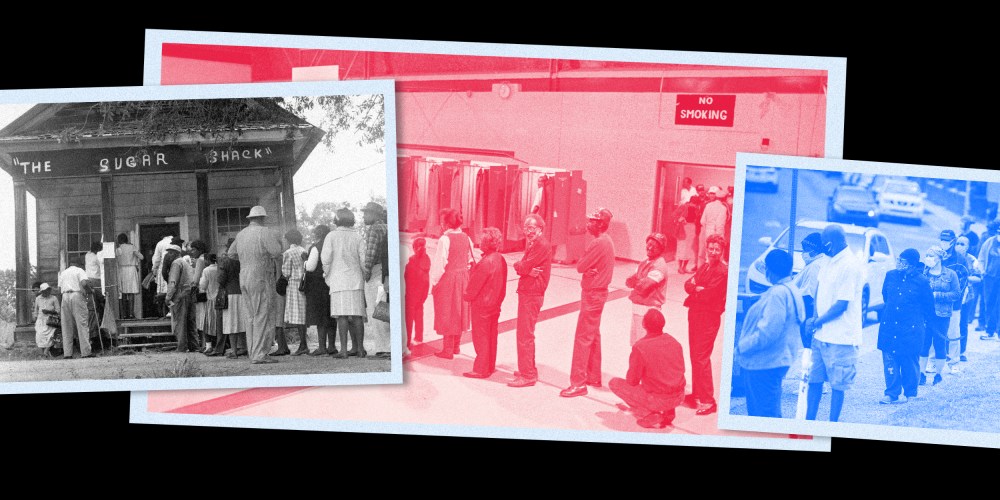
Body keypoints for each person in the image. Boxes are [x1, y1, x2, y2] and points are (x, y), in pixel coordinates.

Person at [804, 224, 863, 422]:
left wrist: (816, 321)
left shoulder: (850, 265)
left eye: (824, 243)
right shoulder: (827, 261)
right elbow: (819, 291)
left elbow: (841, 305)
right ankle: (809, 420)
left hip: (841, 338)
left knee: (838, 385)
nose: (822, 247)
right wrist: (814, 319)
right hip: (821, 335)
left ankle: (832, 424)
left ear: (831, 243)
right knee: (814, 380)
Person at [735, 249, 804, 418]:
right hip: (778, 359)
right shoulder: (792, 289)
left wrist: (743, 347)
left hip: (765, 363)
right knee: (769, 411)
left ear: (768, 269)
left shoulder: (777, 294)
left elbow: (768, 332)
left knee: (762, 413)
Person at [561, 207, 615, 398]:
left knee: (583, 337)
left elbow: (580, 266)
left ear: (600, 224)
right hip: (598, 294)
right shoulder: (606, 241)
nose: (588, 224)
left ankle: (578, 383)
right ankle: (593, 376)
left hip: (593, 295)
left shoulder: (598, 243)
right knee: (593, 334)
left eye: (592, 221)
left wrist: (586, 267)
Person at [610, 309, 686, 429]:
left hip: (658, 399)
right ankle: (668, 411)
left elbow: (632, 381)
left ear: (643, 324)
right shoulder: (674, 342)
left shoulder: (640, 347)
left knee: (614, 383)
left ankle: (650, 414)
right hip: (679, 395)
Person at [228, 206, 284, 365]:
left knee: (250, 315)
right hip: (261, 276)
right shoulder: (264, 232)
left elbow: (231, 253)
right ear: (262, 218)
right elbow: (276, 252)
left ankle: (253, 352)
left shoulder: (241, 234)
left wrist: (246, 259)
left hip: (244, 275)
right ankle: (260, 354)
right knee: (262, 314)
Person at [878, 248, 934, 404]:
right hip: (890, 325)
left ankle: (911, 393)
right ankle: (891, 393)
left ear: (912, 265)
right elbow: (886, 296)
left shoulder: (922, 281)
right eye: (898, 260)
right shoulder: (890, 276)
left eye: (903, 261)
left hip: (911, 328)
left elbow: (928, 306)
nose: (899, 263)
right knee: (890, 360)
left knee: (909, 360)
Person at [681, 233, 728, 415]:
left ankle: (708, 401)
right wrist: (696, 287)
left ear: (721, 251)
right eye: (711, 248)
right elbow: (688, 284)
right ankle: (697, 394)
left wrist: (697, 288)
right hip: (695, 314)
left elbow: (709, 294)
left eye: (717, 249)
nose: (713, 252)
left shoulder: (723, 271)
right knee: (695, 355)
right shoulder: (705, 267)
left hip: (708, 318)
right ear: (706, 249)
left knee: (701, 357)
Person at [507, 214, 552, 388]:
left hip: (532, 294)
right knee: (525, 333)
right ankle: (528, 369)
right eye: (526, 228)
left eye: (531, 228)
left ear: (540, 229)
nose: (528, 231)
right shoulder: (534, 243)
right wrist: (525, 268)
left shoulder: (541, 245)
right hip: (529, 292)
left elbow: (523, 266)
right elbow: (526, 267)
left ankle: (528, 375)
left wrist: (520, 267)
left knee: (524, 335)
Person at [322, 208, 368, 359]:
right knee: (357, 315)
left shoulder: (331, 236)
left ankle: (343, 350)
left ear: (336, 220)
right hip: (356, 279)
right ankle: (360, 349)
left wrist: (326, 273)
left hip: (338, 279)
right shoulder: (357, 236)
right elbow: (363, 260)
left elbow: (326, 258)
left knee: (341, 315)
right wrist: (365, 275)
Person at [462, 227, 507, 378]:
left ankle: (480, 369)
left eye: (482, 241)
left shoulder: (486, 262)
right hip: (495, 305)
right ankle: (490, 366)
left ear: (487, 243)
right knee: (491, 336)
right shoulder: (500, 259)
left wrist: (466, 295)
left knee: (481, 338)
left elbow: (473, 288)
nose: (479, 243)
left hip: (482, 306)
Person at [430, 208, 474, 360]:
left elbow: (440, 263)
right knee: (459, 310)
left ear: (447, 223)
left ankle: (447, 350)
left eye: (442, 221)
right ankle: (456, 346)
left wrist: (434, 282)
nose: (441, 224)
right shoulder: (466, 237)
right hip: (463, 278)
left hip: (449, 279)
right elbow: (470, 258)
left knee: (447, 311)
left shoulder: (445, 239)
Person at [919, 245, 961, 385]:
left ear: (939, 258)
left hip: (942, 315)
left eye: (931, 256)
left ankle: (938, 374)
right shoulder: (923, 274)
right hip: (925, 315)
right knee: (924, 343)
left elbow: (956, 294)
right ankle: (922, 373)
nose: (928, 258)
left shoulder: (950, 274)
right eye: (927, 255)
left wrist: (938, 295)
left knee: (939, 343)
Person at [625, 233, 669, 346]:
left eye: (654, 246)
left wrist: (638, 282)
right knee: (635, 343)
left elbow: (643, 287)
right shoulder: (645, 262)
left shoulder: (660, 266)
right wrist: (640, 282)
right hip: (637, 308)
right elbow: (628, 281)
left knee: (644, 345)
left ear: (661, 249)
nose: (650, 248)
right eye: (649, 244)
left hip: (648, 310)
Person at [361, 201, 391, 358]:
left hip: (375, 271)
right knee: (384, 308)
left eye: (366, 213)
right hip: (384, 272)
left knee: (376, 310)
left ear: (374, 214)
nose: (364, 216)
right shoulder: (386, 227)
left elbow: (370, 254)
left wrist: (366, 273)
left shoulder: (374, 229)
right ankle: (388, 345)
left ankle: (383, 347)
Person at [304, 225, 336, 356]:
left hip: (317, 285)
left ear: (317, 234)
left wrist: (304, 261)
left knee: (320, 317)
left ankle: (322, 347)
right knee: (331, 315)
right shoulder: (332, 246)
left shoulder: (316, 247)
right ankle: (332, 346)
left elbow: (310, 267)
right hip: (331, 283)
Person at [279, 229, 310, 356]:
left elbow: (286, 272)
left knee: (297, 315)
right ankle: (304, 343)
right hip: (304, 283)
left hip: (293, 285)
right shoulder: (303, 250)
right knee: (302, 314)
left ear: (288, 240)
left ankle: (303, 345)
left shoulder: (288, 253)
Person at [164, 244, 199, 353]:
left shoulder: (176, 263)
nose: (168, 255)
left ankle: (182, 346)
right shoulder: (185, 262)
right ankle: (194, 346)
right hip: (189, 293)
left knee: (180, 321)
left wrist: (168, 297)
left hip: (180, 294)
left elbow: (173, 282)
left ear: (176, 253)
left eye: (171, 252)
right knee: (190, 321)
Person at [794, 232, 828, 347]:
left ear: (815, 250)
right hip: (808, 312)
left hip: (807, 311)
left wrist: (808, 319)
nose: (803, 253)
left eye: (806, 249)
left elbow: (810, 295)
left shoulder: (815, 266)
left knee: (808, 347)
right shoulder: (814, 263)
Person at [215, 240, 247, 358]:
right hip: (243, 293)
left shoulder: (226, 261)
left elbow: (221, 279)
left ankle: (234, 351)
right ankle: (244, 347)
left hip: (230, 293)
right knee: (243, 322)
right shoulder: (243, 260)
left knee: (231, 322)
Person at [58, 255, 94, 359]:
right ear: (79, 264)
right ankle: (86, 352)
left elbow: (59, 288)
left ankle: (67, 353)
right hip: (76, 295)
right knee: (81, 323)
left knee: (66, 325)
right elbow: (84, 283)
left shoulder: (63, 273)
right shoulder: (80, 270)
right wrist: (90, 291)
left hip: (65, 296)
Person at [955, 236, 982, 361]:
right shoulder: (950, 257)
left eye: (962, 244)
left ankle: (961, 351)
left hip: (966, 296)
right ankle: (947, 350)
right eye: (958, 243)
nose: (959, 246)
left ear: (968, 246)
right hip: (952, 295)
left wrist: (965, 277)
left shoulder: (972, 260)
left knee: (963, 323)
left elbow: (978, 278)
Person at [404, 237, 431, 349]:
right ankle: (419, 337)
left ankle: (407, 340)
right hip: (422, 292)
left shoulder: (412, 262)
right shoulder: (427, 260)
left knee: (409, 317)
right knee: (419, 313)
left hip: (411, 292)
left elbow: (406, 277)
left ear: (414, 248)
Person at [977, 219, 1000, 339]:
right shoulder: (990, 242)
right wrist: (982, 271)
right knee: (989, 303)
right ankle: (990, 330)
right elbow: (981, 258)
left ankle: (999, 332)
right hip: (990, 278)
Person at [698, 186, 729, 267]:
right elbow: (719, 224)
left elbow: (702, 221)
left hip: (707, 232)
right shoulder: (723, 208)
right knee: (717, 255)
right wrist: (719, 237)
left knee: (708, 254)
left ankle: (706, 269)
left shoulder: (708, 205)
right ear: (724, 199)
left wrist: (708, 228)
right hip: (716, 234)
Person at [199, 254, 222, 356]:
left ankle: (209, 346)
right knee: (219, 325)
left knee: (208, 324)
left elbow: (203, 285)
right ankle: (219, 346)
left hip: (210, 299)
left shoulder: (206, 270)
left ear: (208, 260)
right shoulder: (220, 269)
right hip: (221, 299)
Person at [188, 240, 209, 352]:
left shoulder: (200, 260)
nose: (191, 252)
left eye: (193, 249)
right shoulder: (207, 258)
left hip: (201, 292)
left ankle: (204, 344)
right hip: (209, 291)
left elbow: (196, 280)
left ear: (200, 250)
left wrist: (191, 285)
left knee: (201, 318)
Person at [115, 233, 143, 319]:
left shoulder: (118, 249)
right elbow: (141, 257)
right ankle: (131, 313)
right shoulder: (132, 247)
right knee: (131, 292)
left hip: (122, 270)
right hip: (131, 269)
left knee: (123, 292)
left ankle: (124, 314)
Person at [673, 195, 699, 274]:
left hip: (692, 227)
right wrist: (680, 219)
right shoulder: (684, 206)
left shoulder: (697, 208)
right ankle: (680, 267)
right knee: (682, 247)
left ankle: (684, 267)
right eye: (693, 203)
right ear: (690, 202)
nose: (694, 205)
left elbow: (697, 218)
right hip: (683, 228)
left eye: (695, 204)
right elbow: (674, 215)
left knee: (689, 248)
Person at [34, 283, 59, 358]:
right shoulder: (38, 299)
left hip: (50, 321)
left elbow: (58, 310)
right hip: (40, 320)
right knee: (39, 336)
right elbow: (36, 311)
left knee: (50, 336)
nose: (47, 292)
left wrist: (49, 311)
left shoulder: (54, 298)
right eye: (45, 290)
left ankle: (45, 353)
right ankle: (41, 354)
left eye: (48, 290)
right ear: (42, 291)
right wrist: (35, 320)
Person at [84, 241, 104, 337]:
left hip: (88, 279)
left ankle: (93, 330)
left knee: (92, 305)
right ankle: (97, 328)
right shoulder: (97, 257)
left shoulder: (87, 255)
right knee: (101, 302)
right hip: (96, 280)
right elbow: (102, 266)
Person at [151, 233, 174, 317]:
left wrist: (154, 270)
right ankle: (172, 310)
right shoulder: (175, 242)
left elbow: (156, 259)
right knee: (172, 290)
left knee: (164, 292)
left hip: (163, 269)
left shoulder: (160, 243)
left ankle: (167, 311)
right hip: (175, 268)